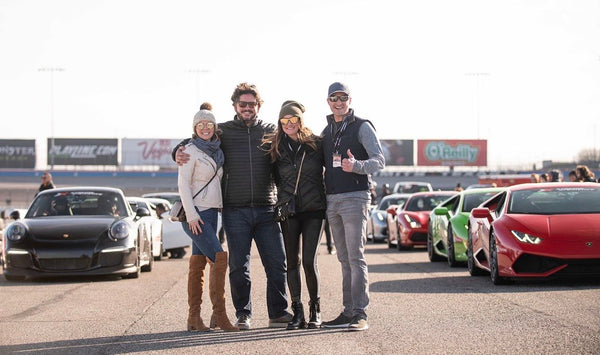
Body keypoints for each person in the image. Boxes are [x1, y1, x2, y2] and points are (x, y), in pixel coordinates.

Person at [173, 83, 291, 330]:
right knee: (238, 265)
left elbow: (296, 136)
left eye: (252, 104)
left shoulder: (271, 130)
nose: (247, 108)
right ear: (235, 106)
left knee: (277, 262)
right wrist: (177, 150)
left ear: (259, 106)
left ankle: (278, 313)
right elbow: (196, 138)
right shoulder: (223, 131)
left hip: (267, 208)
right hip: (234, 210)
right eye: (242, 104)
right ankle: (242, 314)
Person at [320, 82, 385, 332]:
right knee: (344, 258)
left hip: (355, 198)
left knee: (356, 257)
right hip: (332, 200)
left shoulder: (362, 126)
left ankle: (360, 313)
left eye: (343, 97)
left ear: (349, 99)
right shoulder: (327, 131)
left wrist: (356, 166)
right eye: (334, 98)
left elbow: (379, 160)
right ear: (328, 101)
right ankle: (347, 311)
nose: (338, 102)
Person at [262, 100, 327, 330]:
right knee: (293, 262)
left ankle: (315, 309)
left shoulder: (316, 144)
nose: (289, 124)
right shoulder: (275, 148)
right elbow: (271, 179)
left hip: (315, 210)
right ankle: (297, 310)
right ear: (280, 123)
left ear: (300, 121)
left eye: (293, 119)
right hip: (289, 211)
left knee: (309, 261)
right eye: (284, 120)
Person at [177, 105, 238, 332]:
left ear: (214, 127)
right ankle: (220, 316)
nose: (205, 128)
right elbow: (183, 184)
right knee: (219, 257)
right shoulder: (189, 151)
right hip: (197, 215)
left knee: (198, 262)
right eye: (200, 125)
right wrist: (192, 216)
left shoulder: (216, 151)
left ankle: (194, 318)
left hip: (212, 213)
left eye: (209, 124)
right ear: (194, 128)